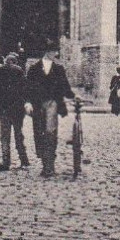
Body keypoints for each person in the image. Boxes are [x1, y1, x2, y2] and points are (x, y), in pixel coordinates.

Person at [24, 40, 74, 178]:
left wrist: (73, 96)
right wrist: (27, 102)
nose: (56, 54)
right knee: (39, 132)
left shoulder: (58, 69)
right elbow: (28, 87)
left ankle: (49, 166)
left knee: (50, 132)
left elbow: (65, 86)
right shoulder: (34, 68)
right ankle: (45, 162)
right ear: (48, 52)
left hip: (53, 103)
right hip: (37, 104)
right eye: (54, 51)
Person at [0, 52, 30, 171]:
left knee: (4, 136)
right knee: (18, 134)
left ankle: (6, 162)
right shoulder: (19, 71)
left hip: (3, 108)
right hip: (17, 109)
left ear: (6, 61)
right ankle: (24, 160)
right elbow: (25, 88)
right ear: (15, 61)